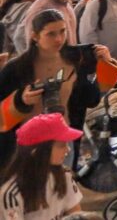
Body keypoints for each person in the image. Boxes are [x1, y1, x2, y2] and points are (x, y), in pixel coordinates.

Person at [0, 10, 107, 166]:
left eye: (62, 31)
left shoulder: (74, 61)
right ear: (35, 36)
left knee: (61, 187)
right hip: (27, 145)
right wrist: (20, 101)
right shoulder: (16, 69)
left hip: (63, 140)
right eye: (50, 34)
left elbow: (91, 99)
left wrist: (105, 65)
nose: (59, 39)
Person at [0, 113, 84, 217]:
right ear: (37, 151)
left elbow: (77, 215)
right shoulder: (11, 195)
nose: (68, 149)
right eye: (62, 145)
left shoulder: (64, 175)